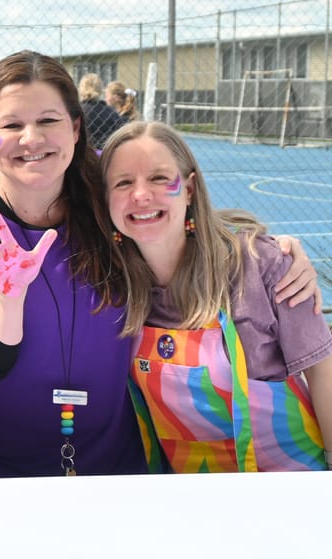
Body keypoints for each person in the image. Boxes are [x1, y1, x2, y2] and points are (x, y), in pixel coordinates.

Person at [0, 50, 319, 479]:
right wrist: (9, 299)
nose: (31, 138)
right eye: (12, 124)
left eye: (48, 120)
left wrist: (272, 249)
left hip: (117, 459)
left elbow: (172, 210)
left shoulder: (102, 183)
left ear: (76, 128)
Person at [95, 121, 331, 472]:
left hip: (289, 484)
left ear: (189, 189)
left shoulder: (262, 264)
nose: (141, 195)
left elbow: (323, 372)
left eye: (159, 178)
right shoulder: (111, 286)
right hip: (190, 494)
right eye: (123, 182)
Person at [78, 73, 126, 150]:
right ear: (100, 89)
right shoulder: (111, 113)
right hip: (105, 155)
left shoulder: (76, 111)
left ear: (81, 88)